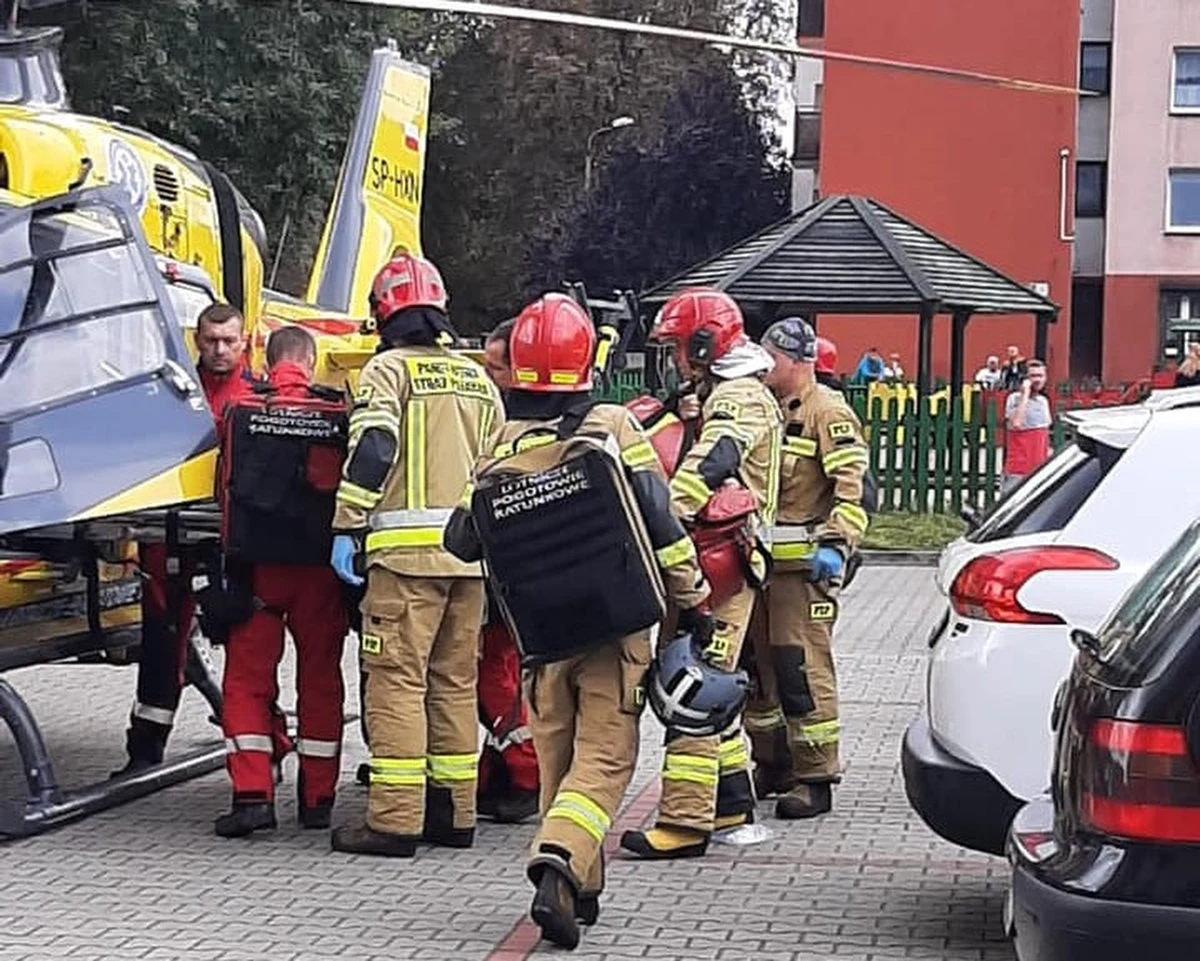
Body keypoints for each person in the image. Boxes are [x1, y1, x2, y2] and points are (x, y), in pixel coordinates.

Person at [443, 293, 713, 948]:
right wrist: (694, 595)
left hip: (542, 634)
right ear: (586, 361)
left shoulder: (499, 445)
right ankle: (561, 859)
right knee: (605, 756)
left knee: (557, 755)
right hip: (616, 625)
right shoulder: (613, 426)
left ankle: (581, 886)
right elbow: (660, 519)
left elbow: (460, 539)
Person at [328, 252, 505, 857]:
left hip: (405, 565)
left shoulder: (387, 372)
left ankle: (395, 821)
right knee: (454, 684)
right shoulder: (479, 377)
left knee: (397, 684)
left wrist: (346, 523)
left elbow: (375, 447)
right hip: (470, 564)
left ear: (384, 313)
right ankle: (453, 815)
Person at [620, 287, 783, 861]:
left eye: (679, 348)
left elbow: (714, 461)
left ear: (706, 342)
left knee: (690, 686)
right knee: (712, 684)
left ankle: (684, 824)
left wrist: (667, 511)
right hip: (714, 563)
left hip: (721, 565)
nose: (675, 360)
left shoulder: (740, 398)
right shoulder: (722, 391)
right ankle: (732, 800)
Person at [113, 303, 272, 776]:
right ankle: (144, 751)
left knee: (246, 646)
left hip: (229, 542)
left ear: (244, 341)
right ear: (197, 341)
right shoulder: (174, 393)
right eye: (210, 341)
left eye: (228, 341)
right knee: (161, 642)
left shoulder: (259, 395)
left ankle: (262, 752)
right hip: (168, 539)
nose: (220, 350)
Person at [211, 325, 350, 837]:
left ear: (270, 363)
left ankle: (253, 797)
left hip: (257, 574)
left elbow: (223, 491)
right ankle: (318, 800)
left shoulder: (242, 409)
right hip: (320, 571)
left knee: (247, 684)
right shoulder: (336, 411)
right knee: (320, 681)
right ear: (310, 362)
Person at [743, 318, 869, 819]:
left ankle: (816, 777)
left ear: (797, 360)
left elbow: (852, 490)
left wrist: (838, 544)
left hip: (802, 575)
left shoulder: (827, 412)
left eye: (771, 357)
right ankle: (772, 766)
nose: (763, 365)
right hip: (759, 571)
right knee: (758, 674)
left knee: (801, 671)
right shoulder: (764, 408)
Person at [476, 317, 540, 823]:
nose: (487, 375)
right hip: (514, 571)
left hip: (508, 573)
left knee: (496, 677)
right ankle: (499, 771)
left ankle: (525, 769)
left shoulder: (519, 428)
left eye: (496, 367)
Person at [1002, 359, 1052, 494]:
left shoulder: (1043, 401)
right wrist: (1025, 394)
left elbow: (1044, 434)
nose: (1037, 380)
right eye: (1033, 376)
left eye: (1040, 376)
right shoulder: (1014, 399)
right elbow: (1016, 424)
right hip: (1018, 471)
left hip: (1039, 470)